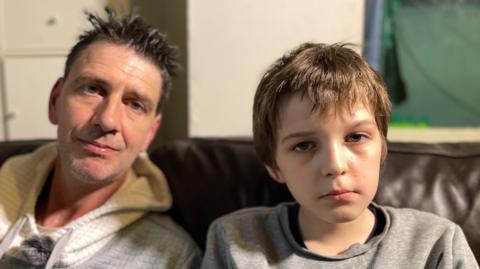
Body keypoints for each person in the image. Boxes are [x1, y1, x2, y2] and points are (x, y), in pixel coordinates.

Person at [201, 43, 479, 268]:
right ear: (274, 166)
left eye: (356, 138)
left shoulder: (436, 243)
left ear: (382, 147)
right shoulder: (234, 240)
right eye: (304, 145)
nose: (335, 166)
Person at [0, 8, 201, 268]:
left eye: (135, 105)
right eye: (93, 89)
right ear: (55, 101)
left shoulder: (171, 258)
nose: (107, 120)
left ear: (150, 134)